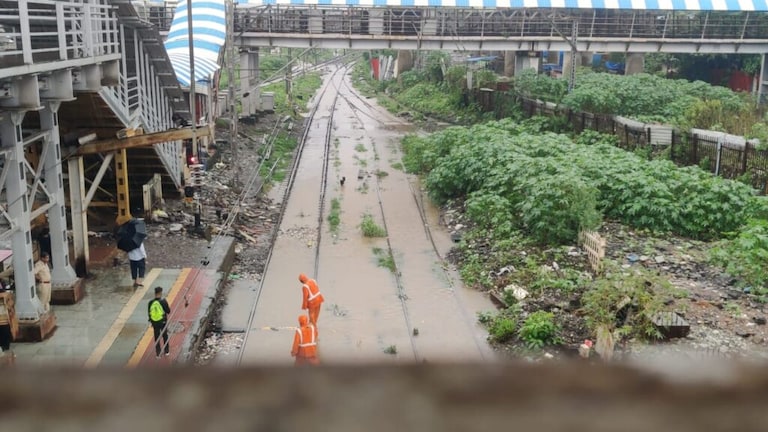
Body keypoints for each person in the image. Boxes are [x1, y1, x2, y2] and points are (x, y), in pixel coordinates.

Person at [147, 286, 170, 358]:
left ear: (155, 293)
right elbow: (168, 311)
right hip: (163, 321)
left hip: (155, 322)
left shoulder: (150, 302)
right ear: (160, 293)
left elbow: (149, 313)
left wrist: (152, 321)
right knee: (165, 335)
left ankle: (158, 353)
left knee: (156, 337)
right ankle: (166, 351)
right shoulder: (163, 301)